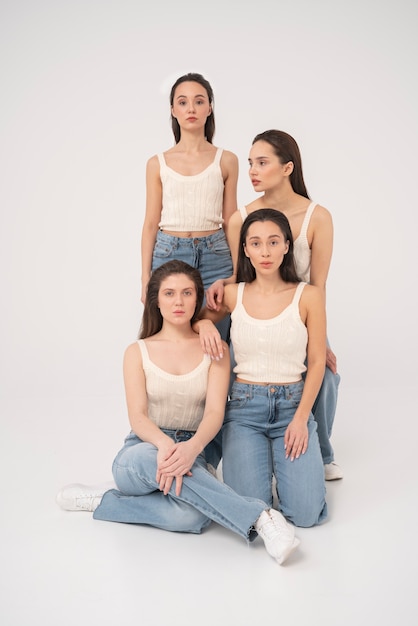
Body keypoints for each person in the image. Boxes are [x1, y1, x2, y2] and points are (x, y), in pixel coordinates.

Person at [56, 260, 300, 566]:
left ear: (197, 298)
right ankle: (262, 518)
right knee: (148, 459)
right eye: (169, 293)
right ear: (156, 300)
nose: (179, 301)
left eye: (187, 293)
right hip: (144, 450)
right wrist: (165, 446)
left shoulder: (216, 349)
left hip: (195, 450)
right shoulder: (137, 351)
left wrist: (192, 448)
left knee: (192, 517)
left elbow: (214, 412)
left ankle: (107, 501)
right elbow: (139, 417)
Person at [206, 130, 342, 480]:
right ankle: (213, 453)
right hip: (253, 320)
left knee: (324, 375)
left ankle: (321, 451)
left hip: (300, 315)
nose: (252, 170)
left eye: (262, 163)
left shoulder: (317, 217)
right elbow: (242, 280)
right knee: (225, 373)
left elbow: (318, 284)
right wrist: (222, 288)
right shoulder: (241, 217)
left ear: (287, 168)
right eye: (251, 162)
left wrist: (319, 339)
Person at [194, 209, 328, 528]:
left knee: (307, 516)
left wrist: (299, 419)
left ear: (286, 246)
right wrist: (205, 325)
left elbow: (318, 361)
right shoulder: (231, 294)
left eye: (272, 242)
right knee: (253, 514)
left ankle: (293, 471)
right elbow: (192, 319)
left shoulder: (308, 296)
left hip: (293, 406)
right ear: (245, 250)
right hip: (243, 411)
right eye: (255, 243)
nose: (264, 252)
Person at [140, 72, 238, 343]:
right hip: (169, 253)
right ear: (173, 110)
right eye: (182, 102)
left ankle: (220, 387)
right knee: (172, 339)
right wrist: (145, 277)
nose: (191, 109)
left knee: (216, 339)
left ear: (210, 107)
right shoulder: (157, 163)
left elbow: (231, 220)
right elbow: (150, 223)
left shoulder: (226, 160)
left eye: (199, 101)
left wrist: (237, 272)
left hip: (216, 254)